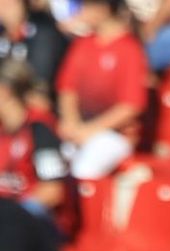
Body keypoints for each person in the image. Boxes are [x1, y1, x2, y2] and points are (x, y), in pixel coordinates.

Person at [55, 0, 148, 179]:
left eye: (85, 6)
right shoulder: (83, 44)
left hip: (115, 135)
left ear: (102, 8)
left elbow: (131, 105)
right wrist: (71, 122)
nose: (81, 12)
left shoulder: (129, 49)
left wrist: (89, 130)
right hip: (79, 130)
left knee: (84, 170)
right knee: (52, 163)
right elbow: (67, 88)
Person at [0, 57, 70, 233]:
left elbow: (52, 191)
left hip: (35, 225)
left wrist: (11, 216)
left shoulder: (40, 129)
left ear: (5, 91)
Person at [0, 0, 69, 103]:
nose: (4, 9)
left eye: (9, 4)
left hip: (38, 103)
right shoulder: (4, 35)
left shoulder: (43, 32)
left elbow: (40, 85)